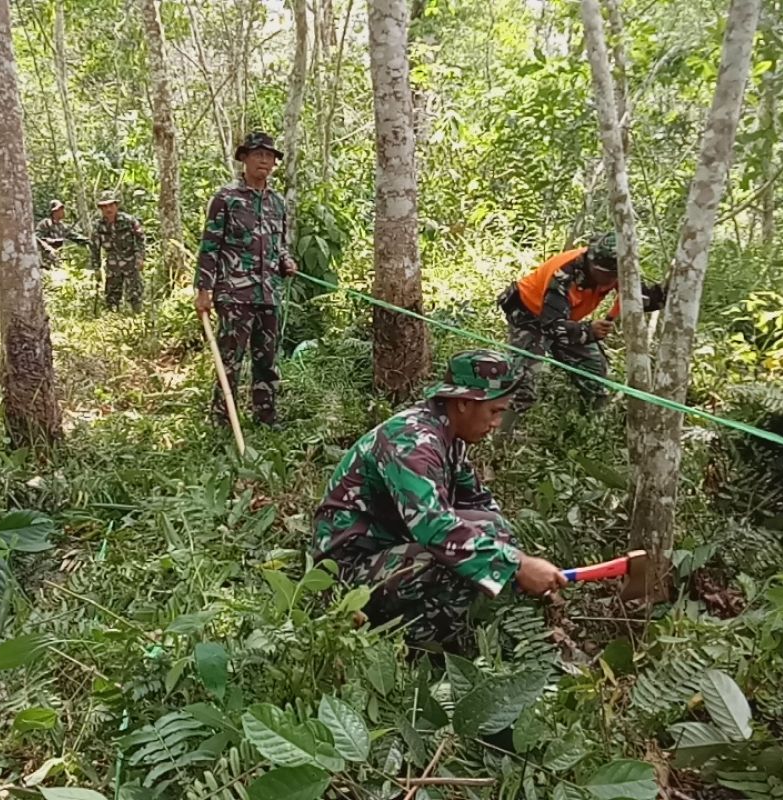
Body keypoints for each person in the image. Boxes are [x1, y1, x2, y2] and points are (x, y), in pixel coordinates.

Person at [312, 350, 568, 651]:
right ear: (463, 403)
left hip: (389, 551)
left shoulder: (447, 439)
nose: (497, 423)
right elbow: (434, 527)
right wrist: (515, 565)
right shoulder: (412, 441)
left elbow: (482, 508)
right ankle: (419, 649)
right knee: (448, 557)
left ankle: (477, 634)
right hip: (343, 576)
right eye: (495, 412)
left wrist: (518, 563)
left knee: (492, 529)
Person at [496, 232, 667, 425]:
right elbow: (551, 326)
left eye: (613, 275)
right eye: (603, 272)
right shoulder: (564, 275)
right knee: (522, 384)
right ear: (591, 261)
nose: (609, 279)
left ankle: (592, 428)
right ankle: (500, 439)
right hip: (529, 316)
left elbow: (639, 299)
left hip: (567, 322)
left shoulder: (621, 272)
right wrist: (588, 331)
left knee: (594, 367)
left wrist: (668, 292)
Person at [195, 131, 299, 428]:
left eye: (269, 156)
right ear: (245, 159)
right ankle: (222, 420)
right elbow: (210, 245)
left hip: (268, 294)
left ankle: (266, 417)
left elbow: (279, 244)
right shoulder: (226, 198)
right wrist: (204, 288)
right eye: (258, 155)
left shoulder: (277, 202)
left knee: (267, 361)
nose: (264, 160)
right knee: (230, 360)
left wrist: (285, 261)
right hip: (234, 294)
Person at [90, 191, 147, 312]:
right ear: (101, 209)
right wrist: (96, 268)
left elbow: (140, 239)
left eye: (111, 205)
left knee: (135, 294)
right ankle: (113, 318)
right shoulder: (98, 226)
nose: (108, 209)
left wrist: (140, 257)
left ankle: (137, 317)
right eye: (104, 206)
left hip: (130, 261)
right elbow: (94, 247)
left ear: (116, 206)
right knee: (112, 296)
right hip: (112, 264)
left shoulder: (129, 221)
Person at [35, 199, 89, 268]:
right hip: (47, 259)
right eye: (60, 209)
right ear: (54, 211)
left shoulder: (62, 226)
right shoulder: (45, 224)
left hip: (59, 258)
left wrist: (85, 239)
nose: (63, 211)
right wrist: (52, 242)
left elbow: (74, 236)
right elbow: (37, 237)